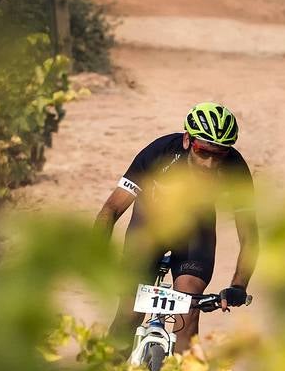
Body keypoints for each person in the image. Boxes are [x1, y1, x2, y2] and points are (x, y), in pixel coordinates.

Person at [94, 103, 258, 353]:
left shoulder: (235, 168)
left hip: (195, 234)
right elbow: (111, 210)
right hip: (150, 227)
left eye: (220, 155)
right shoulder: (159, 153)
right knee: (130, 311)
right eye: (204, 152)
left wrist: (238, 286)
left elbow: (249, 238)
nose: (211, 164)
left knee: (187, 311)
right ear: (187, 140)